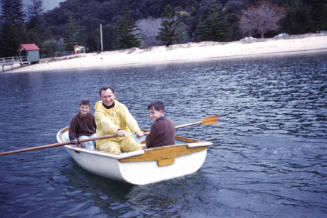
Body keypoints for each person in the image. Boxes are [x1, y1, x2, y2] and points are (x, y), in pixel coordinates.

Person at [94, 87, 144, 155]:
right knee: (114, 151)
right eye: (104, 97)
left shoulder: (121, 107)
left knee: (139, 148)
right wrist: (117, 130)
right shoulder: (98, 111)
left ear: (114, 95)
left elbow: (129, 118)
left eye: (109, 96)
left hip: (124, 137)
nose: (108, 99)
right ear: (100, 97)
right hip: (106, 140)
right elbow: (105, 123)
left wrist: (137, 130)